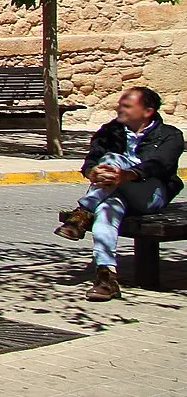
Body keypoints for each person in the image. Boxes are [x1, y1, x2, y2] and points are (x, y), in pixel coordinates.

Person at [54, 86, 184, 300]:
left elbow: (160, 166)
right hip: (113, 193)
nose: (119, 108)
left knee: (114, 160)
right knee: (105, 210)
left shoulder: (169, 135)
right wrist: (92, 171)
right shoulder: (110, 131)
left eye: (127, 105)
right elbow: (93, 159)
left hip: (150, 195)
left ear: (147, 111)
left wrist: (127, 175)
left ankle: (83, 211)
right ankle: (106, 277)